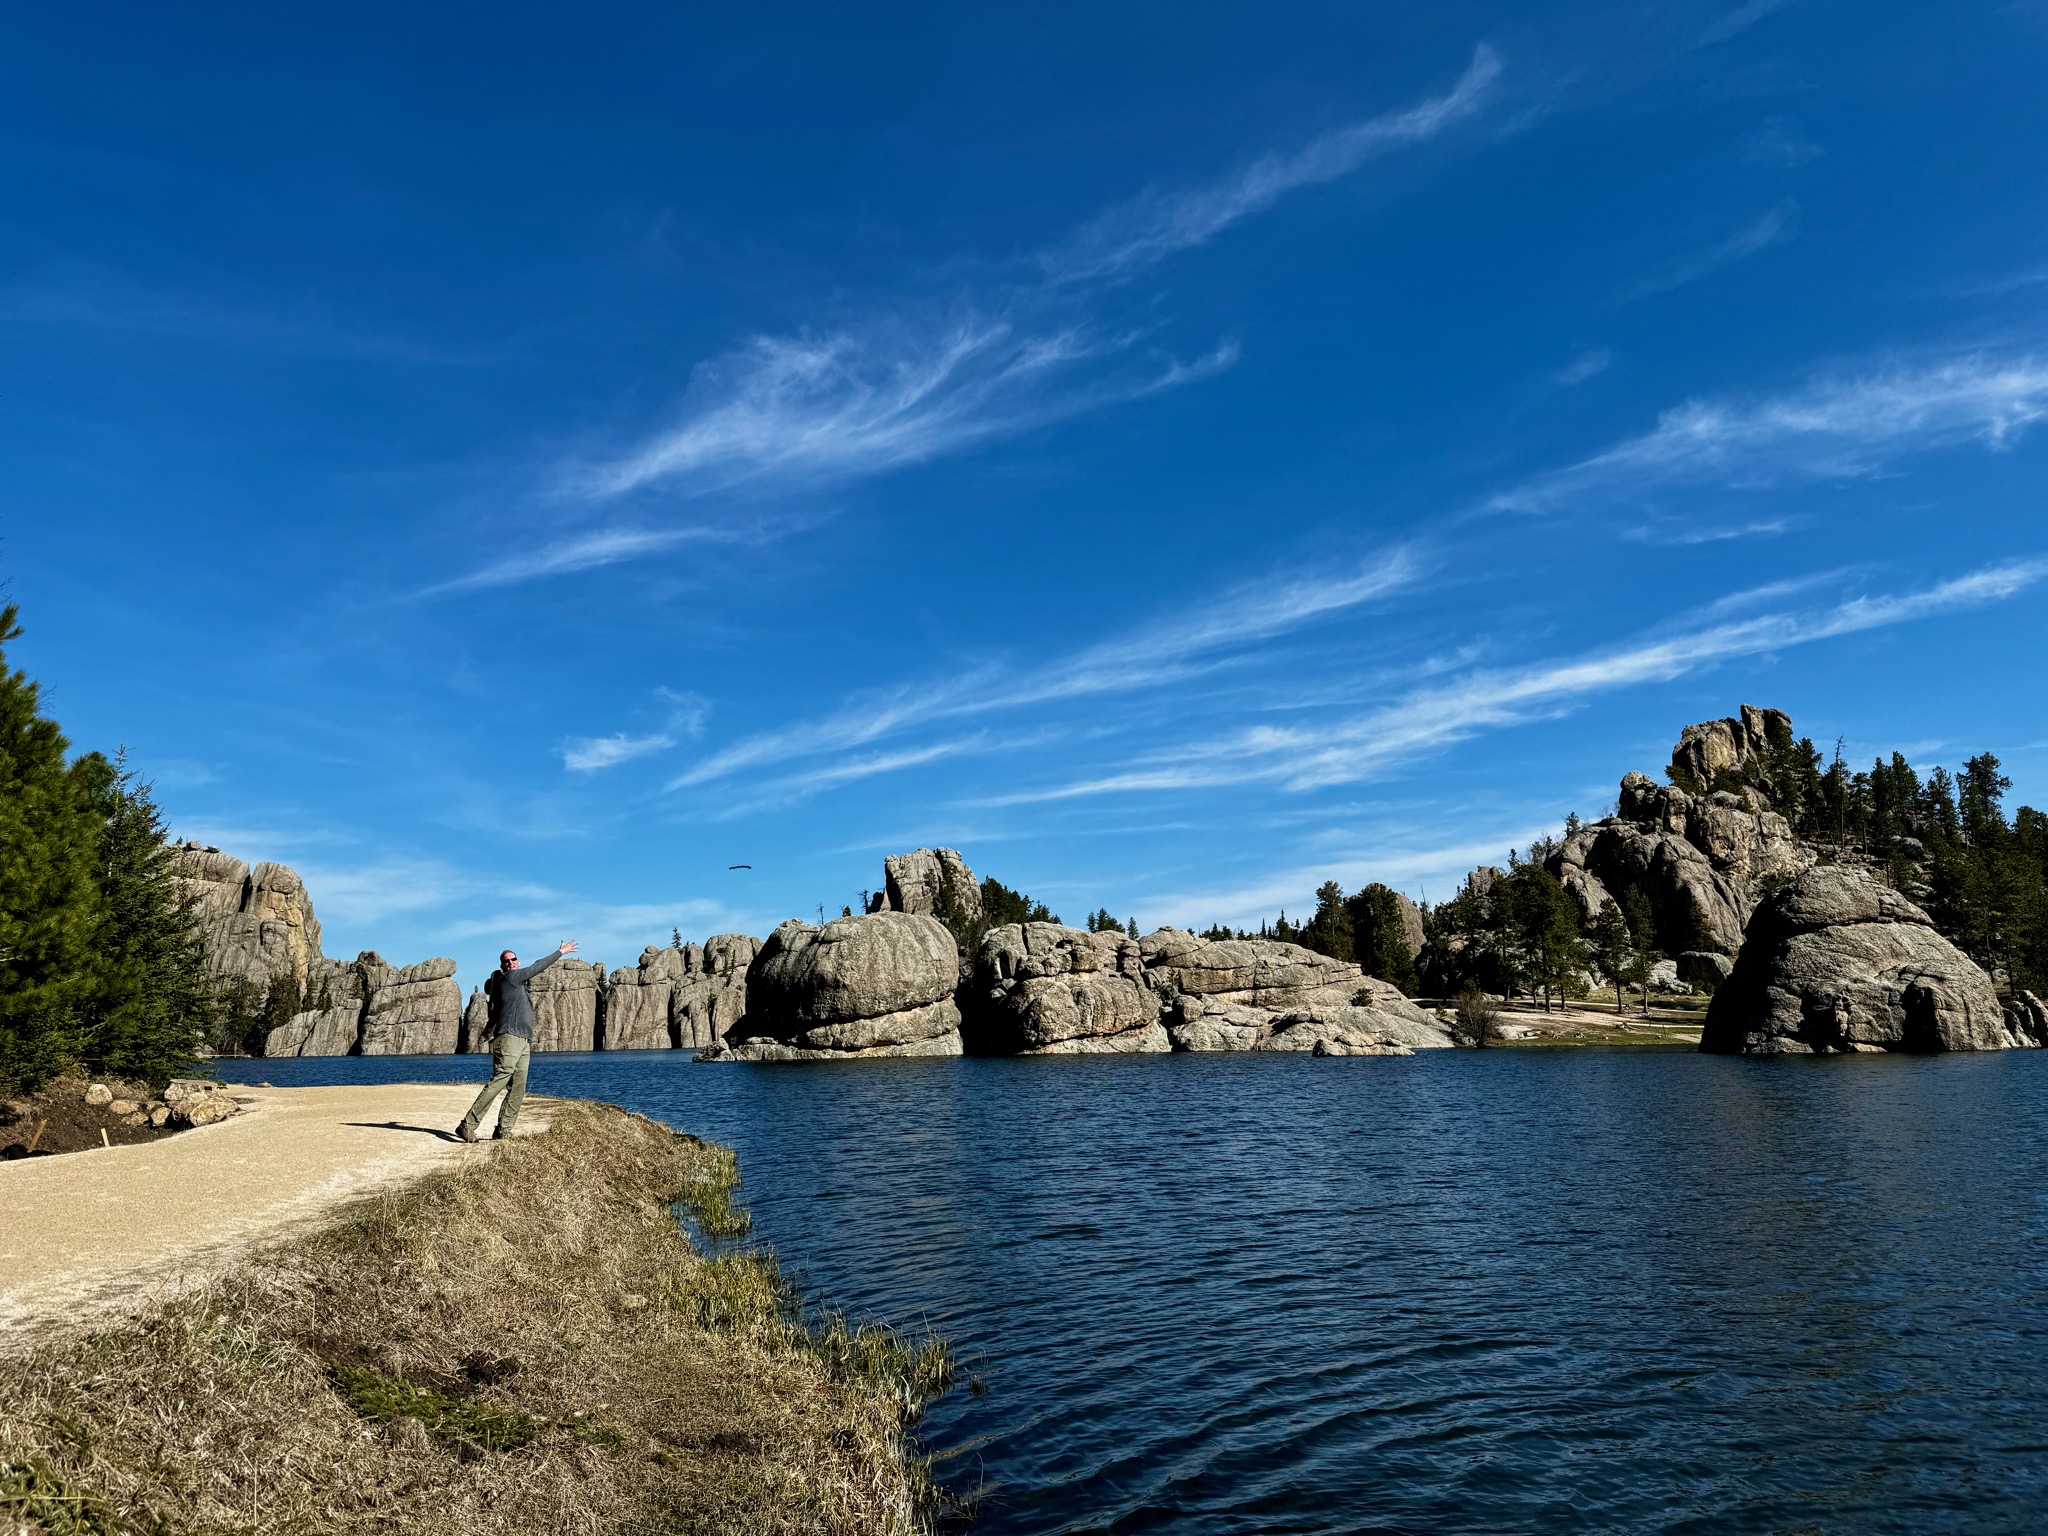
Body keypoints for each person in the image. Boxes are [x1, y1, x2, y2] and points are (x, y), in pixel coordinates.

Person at [456, 940, 577, 1142]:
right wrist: (560, 952)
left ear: (517, 961)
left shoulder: (509, 985)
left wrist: (488, 1029)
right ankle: (467, 1125)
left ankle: (504, 1129)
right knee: (500, 1080)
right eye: (506, 961)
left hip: (523, 1040)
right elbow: (537, 966)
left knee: (518, 1087)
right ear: (502, 966)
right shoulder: (512, 978)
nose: (511, 962)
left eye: (513, 959)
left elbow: (496, 1012)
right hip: (509, 1038)